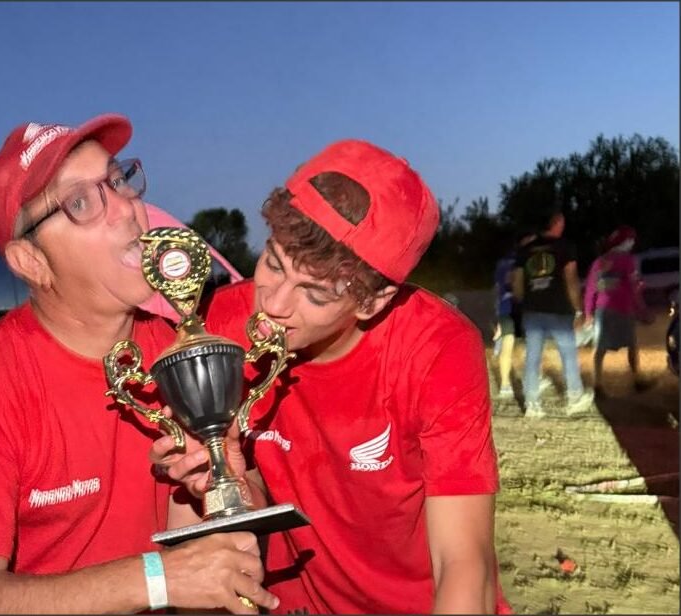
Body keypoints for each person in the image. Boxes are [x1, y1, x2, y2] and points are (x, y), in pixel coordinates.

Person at [0, 114, 277, 614]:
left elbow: (202, 545)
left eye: (119, 180)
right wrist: (156, 578)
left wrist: (223, 484)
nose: (126, 207)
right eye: (80, 202)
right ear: (30, 263)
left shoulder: (176, 352)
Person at [154, 140, 510, 614]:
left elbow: (464, 560)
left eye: (315, 295)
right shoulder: (221, 327)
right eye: (273, 264)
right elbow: (256, 494)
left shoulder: (436, 347)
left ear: (374, 300)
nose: (274, 305)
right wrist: (230, 483)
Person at [512, 211, 594, 419]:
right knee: (568, 354)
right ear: (557, 223)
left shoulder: (525, 250)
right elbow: (571, 279)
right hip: (559, 310)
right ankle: (574, 398)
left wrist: (526, 301)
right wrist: (578, 310)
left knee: (532, 357)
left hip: (532, 311)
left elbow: (517, 283)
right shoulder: (565, 247)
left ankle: (532, 404)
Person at [583, 225, 650, 397]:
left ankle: (597, 384)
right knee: (632, 345)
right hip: (623, 309)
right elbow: (634, 287)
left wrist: (588, 313)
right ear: (625, 241)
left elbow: (591, 289)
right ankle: (637, 380)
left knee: (599, 349)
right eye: (631, 239)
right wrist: (642, 310)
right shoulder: (627, 260)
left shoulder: (598, 262)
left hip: (602, 311)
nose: (632, 242)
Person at [493, 231, 532, 398]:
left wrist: (496, 315)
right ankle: (531, 380)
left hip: (504, 307)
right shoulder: (525, 261)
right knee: (531, 345)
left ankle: (504, 385)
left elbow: (496, 290)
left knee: (507, 346)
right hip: (520, 308)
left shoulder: (501, 263)